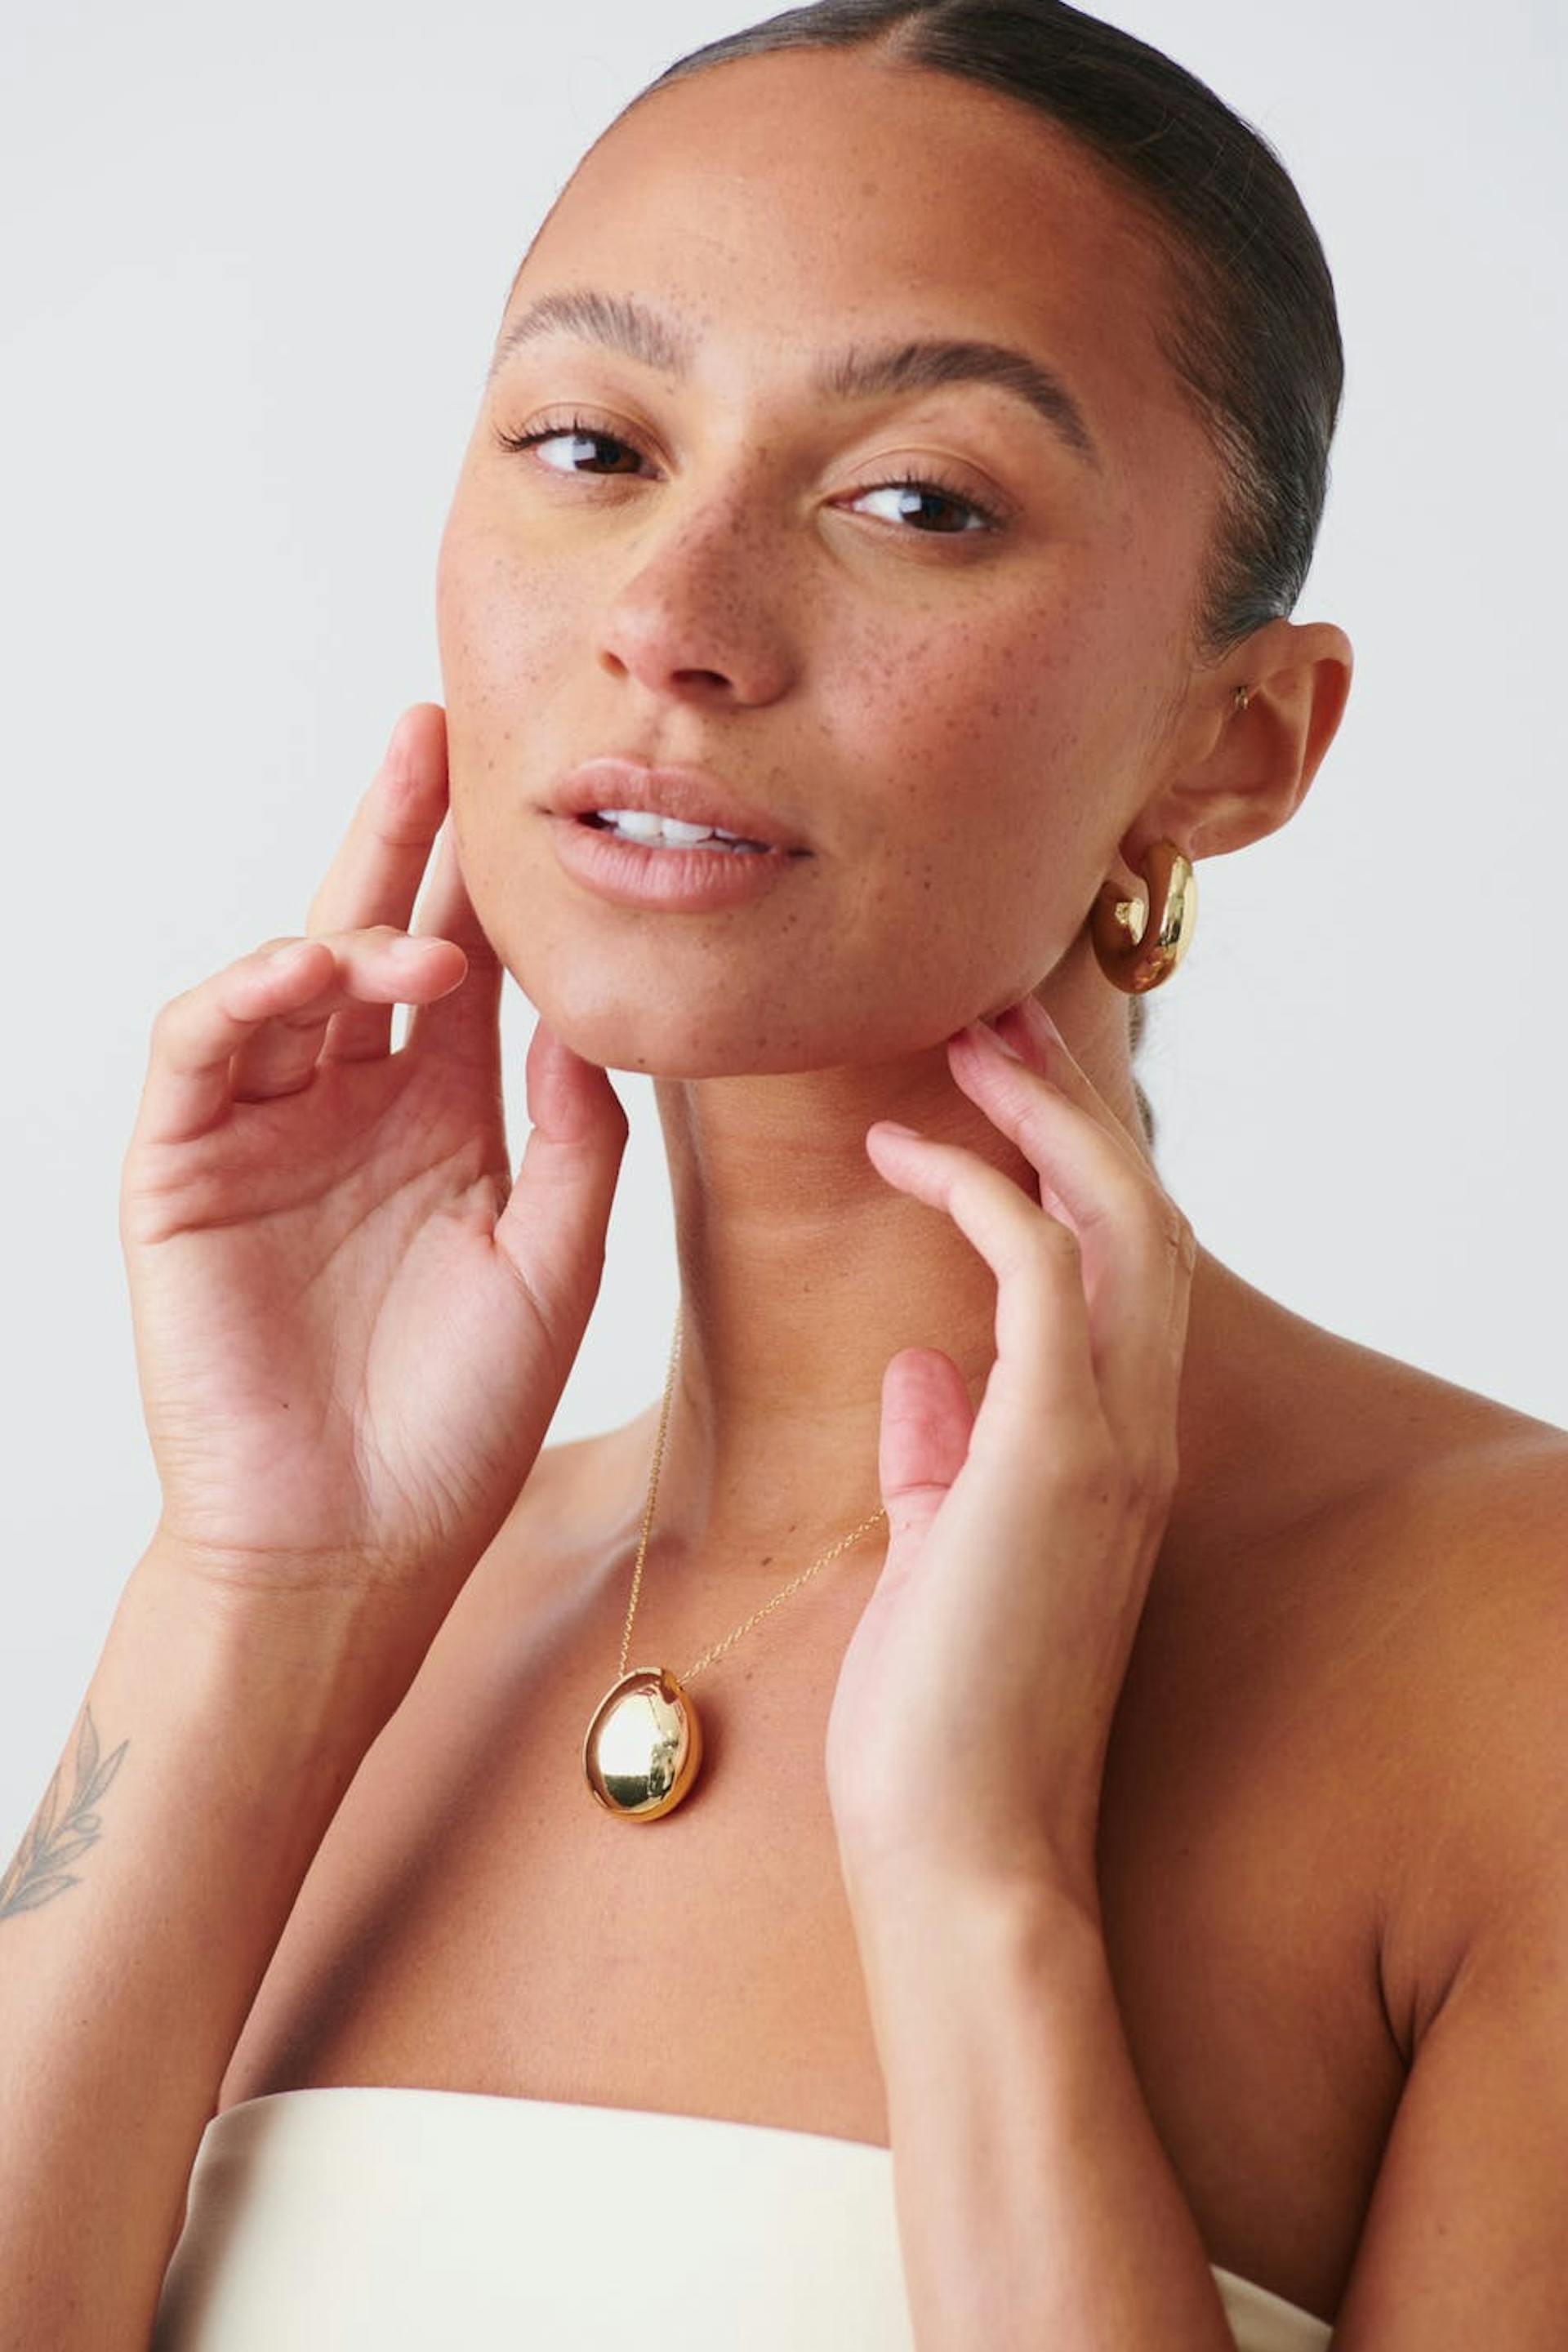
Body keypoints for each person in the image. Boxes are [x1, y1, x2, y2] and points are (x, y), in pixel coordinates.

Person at [4, 2, 1565, 2345]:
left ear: (1238, 743)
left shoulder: (1511, 1661)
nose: (671, 620)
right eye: (591, 445)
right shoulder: (365, 1613)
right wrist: (261, 1589)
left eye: (918, 500)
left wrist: (983, 1886)